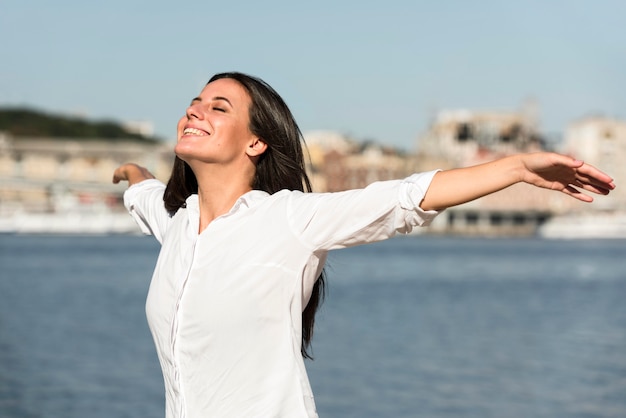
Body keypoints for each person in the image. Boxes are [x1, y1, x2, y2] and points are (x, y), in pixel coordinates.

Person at [112, 71, 615, 418]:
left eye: (217, 108)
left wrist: (517, 168)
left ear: (255, 142)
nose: (194, 112)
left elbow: (401, 199)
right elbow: (145, 194)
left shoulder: (289, 219)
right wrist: (133, 174)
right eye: (193, 105)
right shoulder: (178, 223)